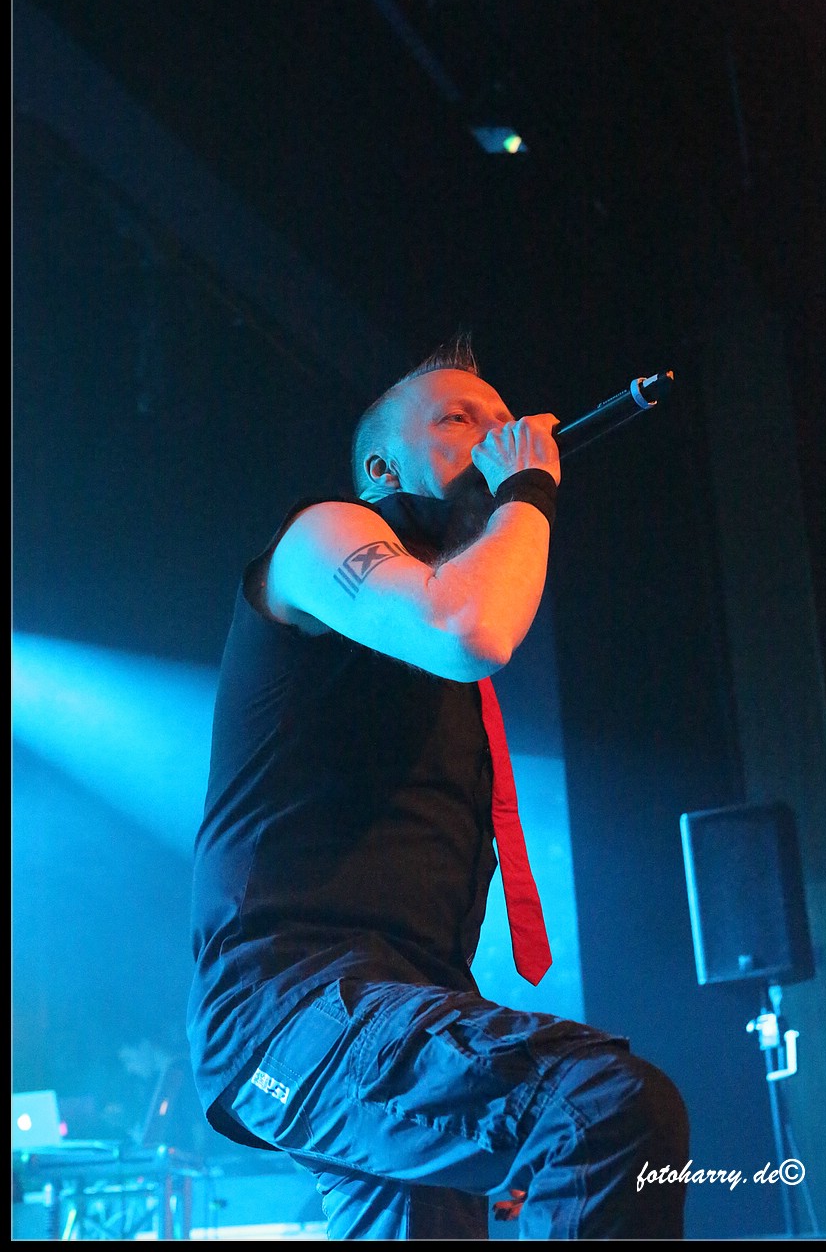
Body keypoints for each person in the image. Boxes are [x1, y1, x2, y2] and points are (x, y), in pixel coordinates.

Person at [186, 333, 690, 1240]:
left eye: (505, 421)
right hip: (291, 1005)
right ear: (382, 468)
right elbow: (470, 630)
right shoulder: (320, 536)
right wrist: (526, 488)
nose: (498, 435)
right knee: (604, 1106)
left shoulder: (437, 617)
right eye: (462, 420)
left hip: (406, 1002)